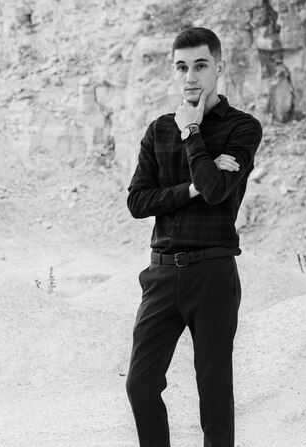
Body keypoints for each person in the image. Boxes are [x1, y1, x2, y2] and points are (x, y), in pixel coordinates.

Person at [125, 27, 263, 447]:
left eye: (200, 66)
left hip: (213, 272)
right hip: (162, 274)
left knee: (214, 394)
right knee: (140, 385)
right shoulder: (157, 130)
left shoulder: (243, 128)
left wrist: (192, 133)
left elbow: (219, 190)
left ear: (219, 67)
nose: (191, 77)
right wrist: (190, 188)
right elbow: (137, 201)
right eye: (182, 67)